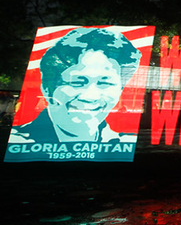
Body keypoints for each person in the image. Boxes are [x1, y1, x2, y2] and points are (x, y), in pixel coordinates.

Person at [9, 27, 141, 144]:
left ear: (119, 90)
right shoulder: (19, 143)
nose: (91, 96)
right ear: (47, 90)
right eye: (77, 82)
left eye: (105, 83)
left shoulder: (124, 144)